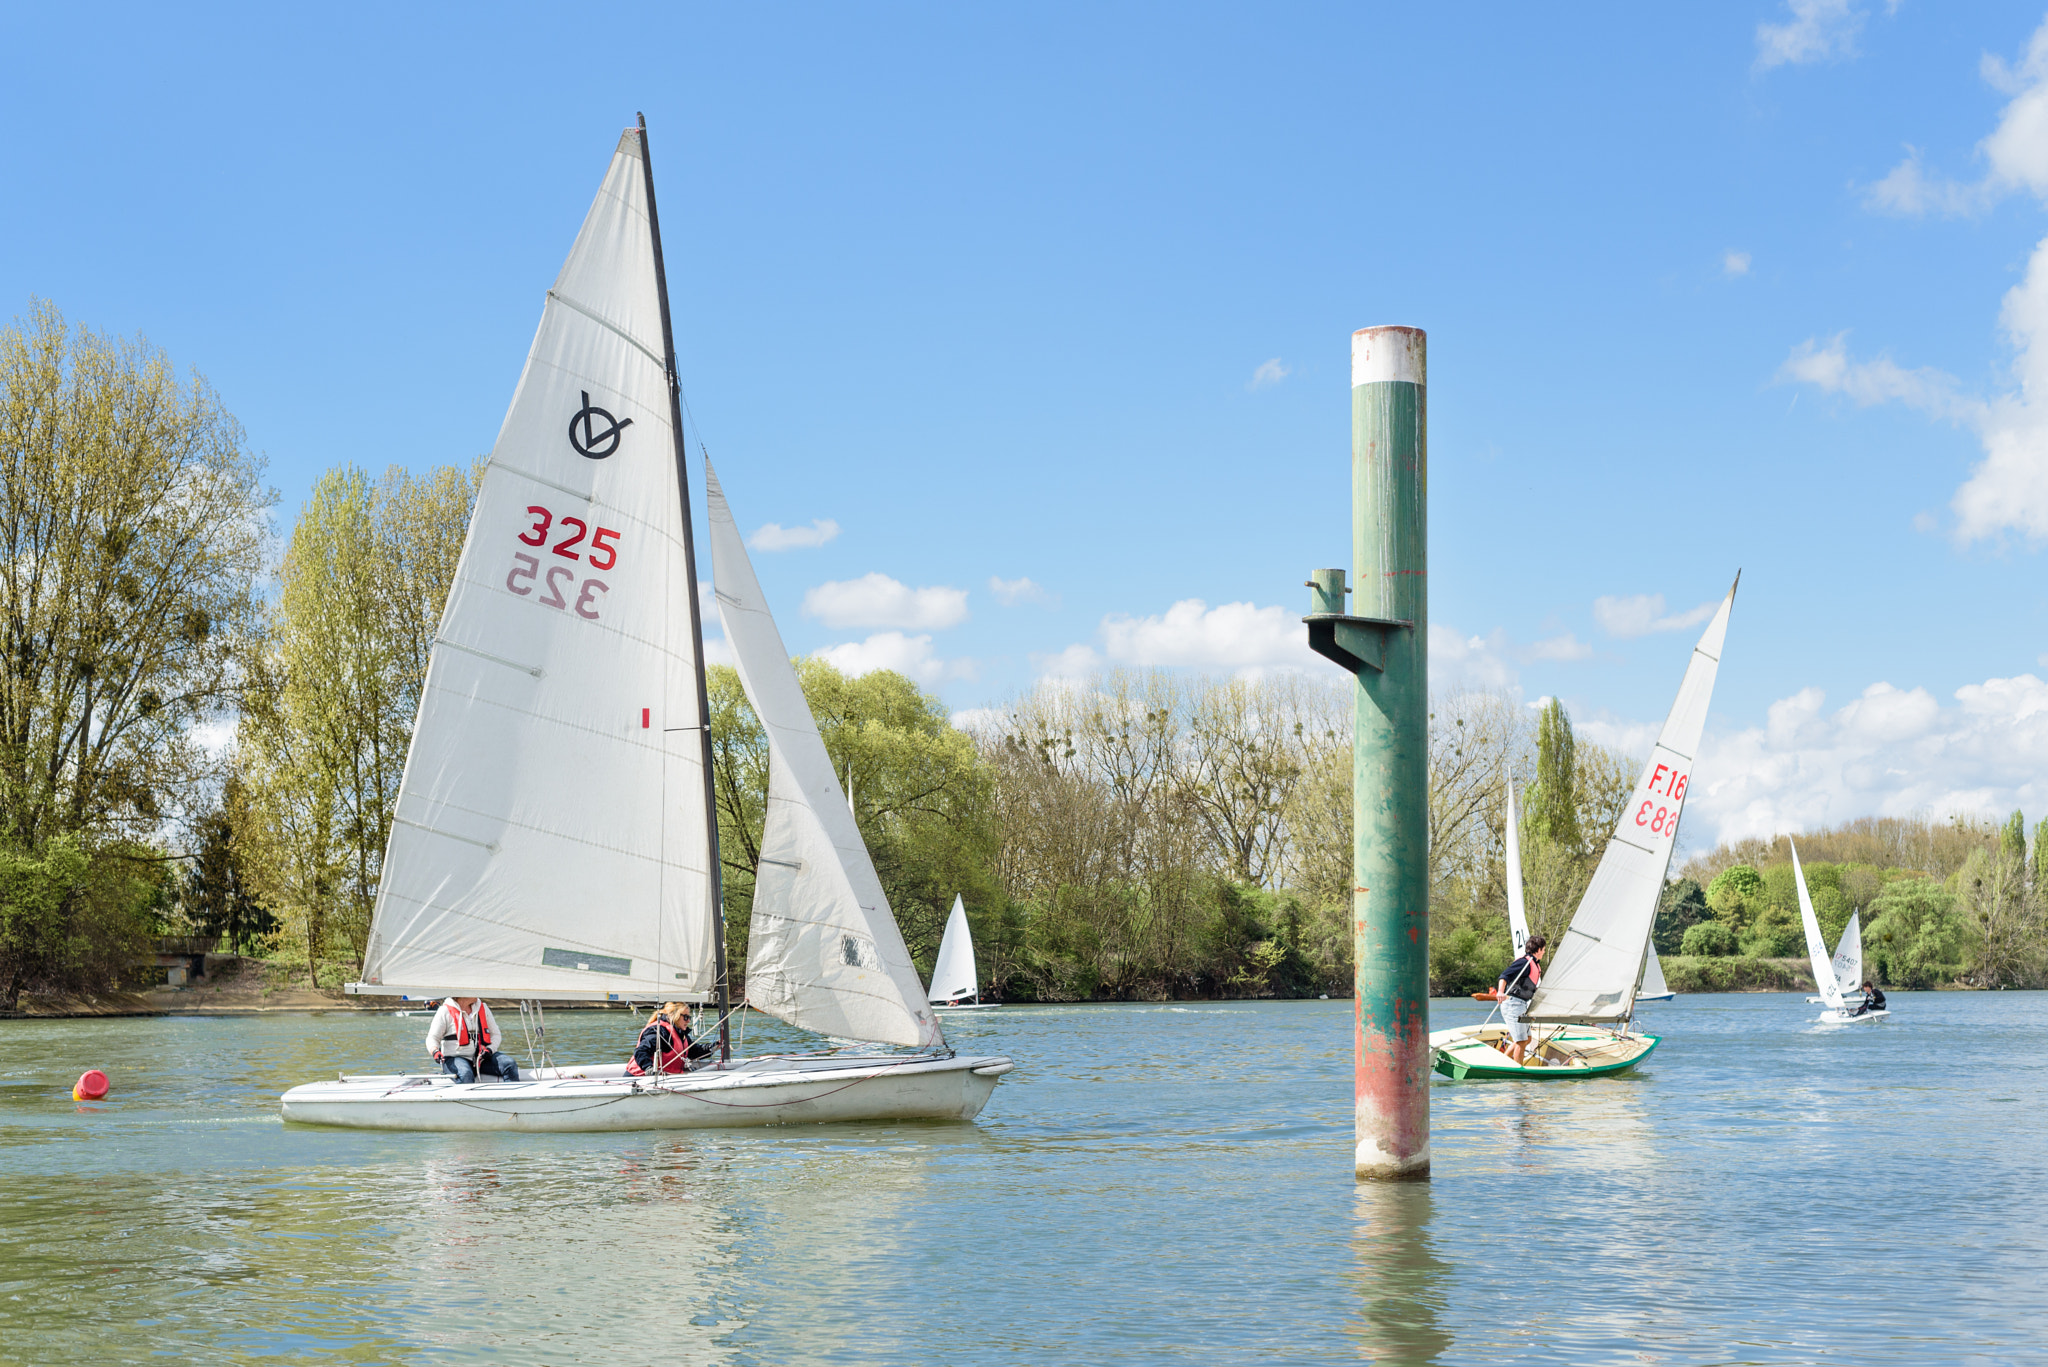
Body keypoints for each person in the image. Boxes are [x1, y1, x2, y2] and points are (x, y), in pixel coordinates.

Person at [426, 996, 520, 1083]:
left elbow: (496, 1035)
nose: (477, 994)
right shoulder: (444, 1011)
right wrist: (435, 1051)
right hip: (454, 1058)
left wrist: (490, 1049)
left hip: (482, 1058)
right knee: (465, 1073)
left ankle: (512, 1099)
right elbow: (432, 1038)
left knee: (509, 1064)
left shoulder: (483, 1008)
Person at [1496, 934, 1548, 1066]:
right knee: (1520, 1041)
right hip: (1513, 1004)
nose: (1544, 952)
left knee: (1528, 1038)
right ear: (1538, 950)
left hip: (1521, 1004)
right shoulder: (1524, 962)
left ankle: (1503, 1061)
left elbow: (1527, 985)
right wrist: (1500, 991)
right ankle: (1517, 1070)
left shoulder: (1535, 964)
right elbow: (1504, 976)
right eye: (1543, 949)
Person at [626, 1001, 715, 1076]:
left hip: (666, 1079)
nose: (688, 1021)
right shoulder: (659, 1031)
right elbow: (641, 1051)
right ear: (673, 1015)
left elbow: (692, 1051)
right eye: (685, 1017)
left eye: (689, 1017)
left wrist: (713, 1047)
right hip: (640, 1079)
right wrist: (648, 1067)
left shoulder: (679, 1033)